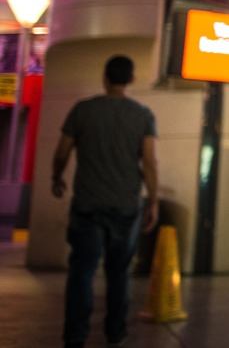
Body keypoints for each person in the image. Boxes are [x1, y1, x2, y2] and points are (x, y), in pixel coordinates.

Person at [51, 54, 158, 348]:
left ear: (105, 77)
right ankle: (115, 333)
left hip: (87, 204)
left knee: (82, 272)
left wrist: (56, 177)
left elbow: (62, 152)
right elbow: (149, 162)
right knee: (118, 273)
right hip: (126, 206)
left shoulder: (83, 110)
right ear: (131, 79)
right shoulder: (143, 115)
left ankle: (75, 337)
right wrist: (153, 201)